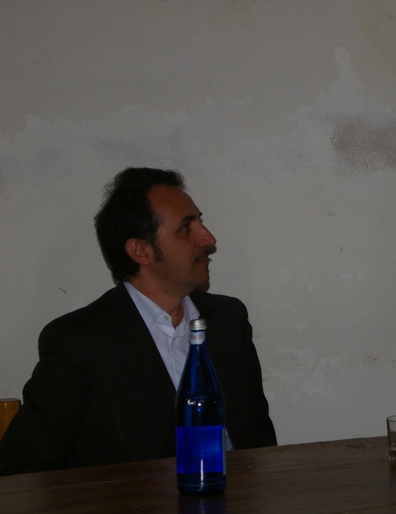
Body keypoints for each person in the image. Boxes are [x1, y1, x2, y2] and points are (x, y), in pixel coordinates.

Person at [0, 168, 277, 475]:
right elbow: (24, 469)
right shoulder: (80, 342)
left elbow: (258, 442)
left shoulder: (229, 319)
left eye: (200, 220)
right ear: (141, 251)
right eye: (187, 227)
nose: (208, 239)